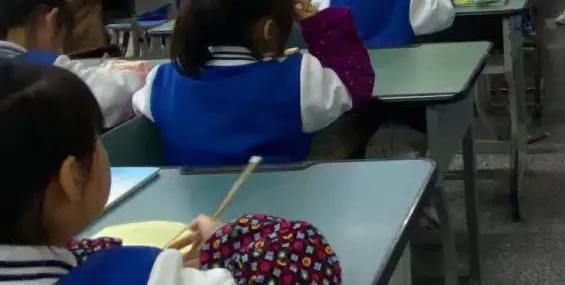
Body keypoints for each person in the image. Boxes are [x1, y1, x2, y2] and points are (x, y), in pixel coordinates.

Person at [0, 61, 344, 284]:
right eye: (96, 141)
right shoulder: (139, 275)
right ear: (72, 178)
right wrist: (227, 237)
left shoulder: (163, 81)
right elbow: (307, 263)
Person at [133, 0, 375, 166]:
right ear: (268, 29)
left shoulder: (160, 81)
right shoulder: (300, 77)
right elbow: (355, 83)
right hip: (281, 204)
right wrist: (322, 25)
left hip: (190, 208)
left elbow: (140, 107)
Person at [0, 0, 144, 128]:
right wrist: (142, 76)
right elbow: (110, 94)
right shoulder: (35, 64)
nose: (59, 51)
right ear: (50, 21)